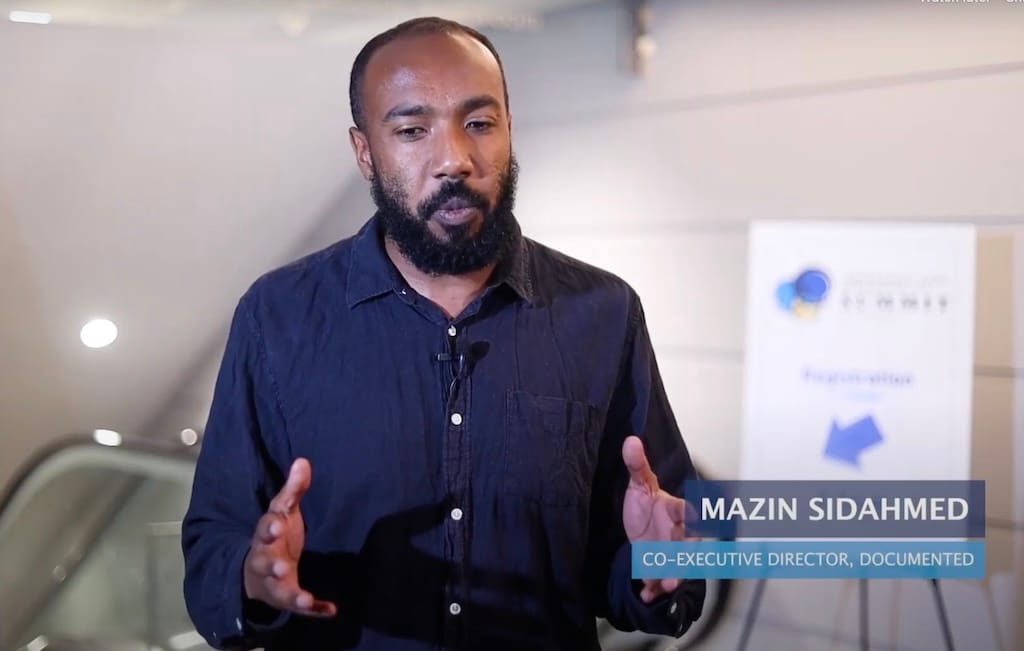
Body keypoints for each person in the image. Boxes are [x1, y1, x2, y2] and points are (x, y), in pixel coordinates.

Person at [181, 16, 705, 651]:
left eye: (479, 124)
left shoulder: (603, 312)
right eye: (412, 130)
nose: (455, 159)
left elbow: (654, 556)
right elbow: (212, 549)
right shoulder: (277, 316)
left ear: (509, 130)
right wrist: (252, 578)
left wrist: (662, 567)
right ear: (364, 152)